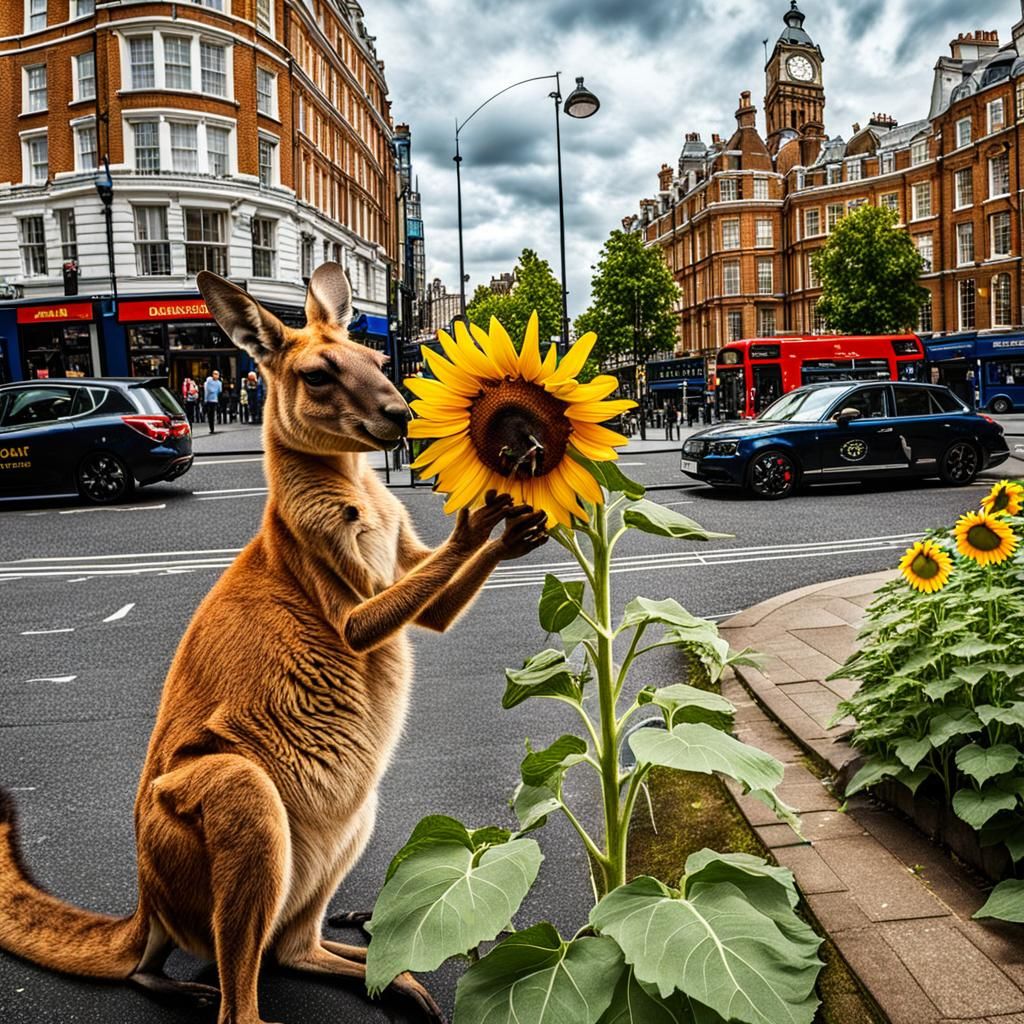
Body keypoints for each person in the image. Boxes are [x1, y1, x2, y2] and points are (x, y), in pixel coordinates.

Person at [203, 370, 222, 434]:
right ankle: (212, 428)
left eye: (217, 374)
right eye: (215, 374)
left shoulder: (218, 383)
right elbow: (207, 391)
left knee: (212, 414)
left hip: (214, 400)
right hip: (209, 400)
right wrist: (205, 400)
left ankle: (212, 427)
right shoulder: (209, 381)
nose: (216, 376)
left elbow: (219, 391)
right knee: (210, 414)